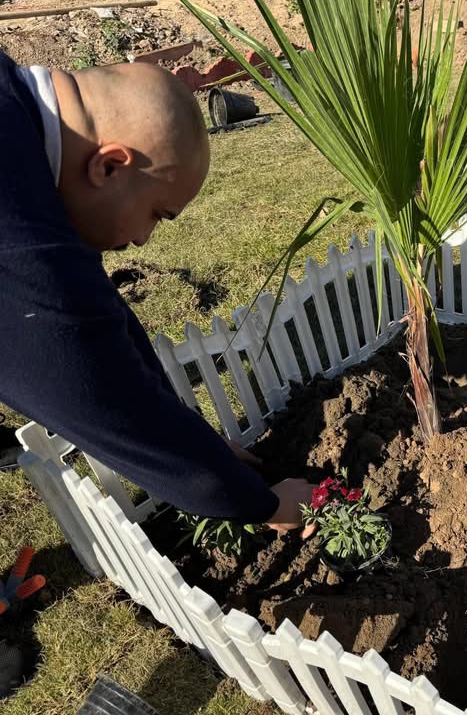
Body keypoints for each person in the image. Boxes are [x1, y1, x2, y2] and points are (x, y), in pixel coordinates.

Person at [0, 52, 315, 529]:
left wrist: (194, 439)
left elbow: (93, 305)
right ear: (110, 166)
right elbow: (98, 387)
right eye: (157, 214)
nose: (144, 239)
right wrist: (264, 504)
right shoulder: (17, 229)